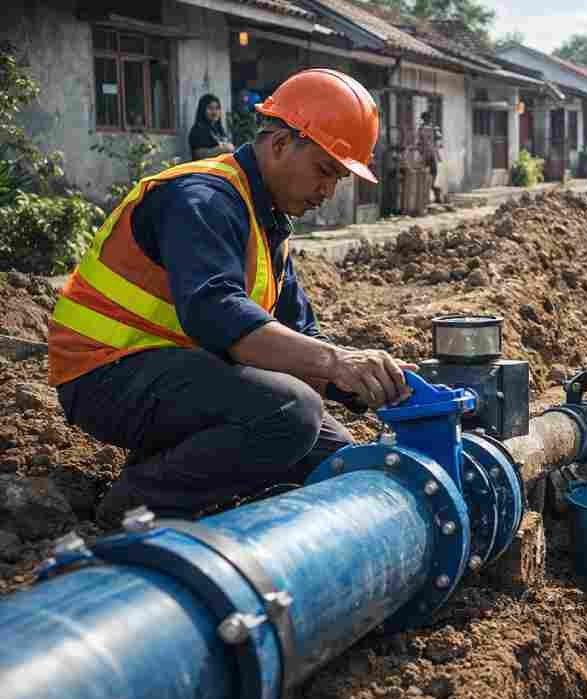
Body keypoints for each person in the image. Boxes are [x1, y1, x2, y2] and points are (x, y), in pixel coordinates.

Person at [48, 68, 414, 525]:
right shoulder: (203, 198)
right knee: (290, 414)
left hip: (178, 374)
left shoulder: (269, 223)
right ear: (281, 144)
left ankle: (165, 465)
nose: (329, 190)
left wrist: (371, 385)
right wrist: (337, 360)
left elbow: (301, 341)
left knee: (334, 459)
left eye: (338, 178)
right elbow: (215, 314)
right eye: (325, 171)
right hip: (103, 374)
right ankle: (138, 502)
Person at [189, 93, 235, 160]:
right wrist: (221, 149)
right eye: (210, 108)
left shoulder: (219, 129)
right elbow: (198, 155)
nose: (214, 112)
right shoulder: (197, 130)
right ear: (202, 110)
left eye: (217, 108)